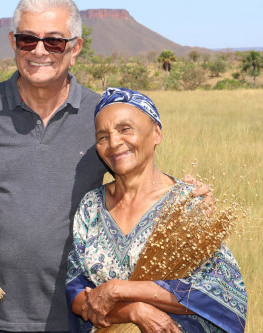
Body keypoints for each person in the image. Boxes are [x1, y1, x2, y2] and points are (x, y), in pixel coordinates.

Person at [0, 0, 211, 332]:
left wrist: (187, 197)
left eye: (53, 43)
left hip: (78, 313)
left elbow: (138, 180)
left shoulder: (99, 119)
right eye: (27, 40)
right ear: (12, 42)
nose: (38, 51)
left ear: (75, 48)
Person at [66, 88, 247, 332]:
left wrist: (119, 289)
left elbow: (219, 293)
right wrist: (135, 310)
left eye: (125, 129)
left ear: (156, 133)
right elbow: (77, 294)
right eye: (102, 137)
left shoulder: (187, 202)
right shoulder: (91, 207)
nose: (114, 143)